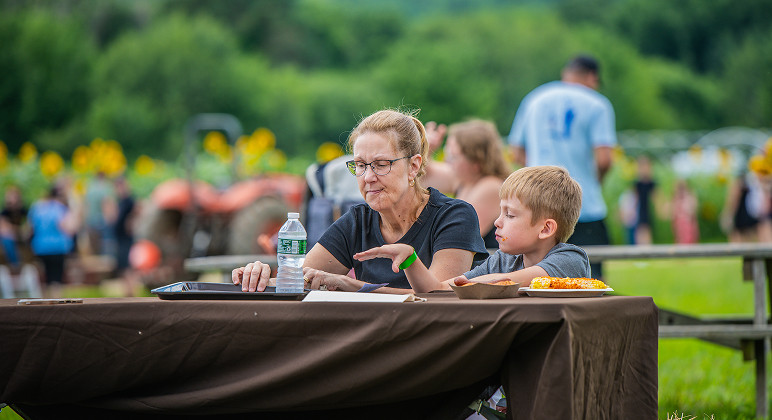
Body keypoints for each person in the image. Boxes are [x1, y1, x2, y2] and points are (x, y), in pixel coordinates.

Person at [232, 109, 489, 293]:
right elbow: (299, 280)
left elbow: (439, 297)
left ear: (413, 166)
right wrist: (260, 277)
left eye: (380, 165)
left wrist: (355, 287)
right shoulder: (358, 221)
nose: (368, 177)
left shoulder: (455, 216)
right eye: (360, 165)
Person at [355, 165, 590, 292]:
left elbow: (507, 281)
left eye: (510, 215)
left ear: (546, 229)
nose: (498, 222)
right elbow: (437, 290)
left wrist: (468, 285)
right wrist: (410, 259)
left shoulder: (569, 259)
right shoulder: (501, 261)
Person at [508, 54, 616, 278]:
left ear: (567, 73)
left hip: (538, 205)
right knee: (589, 277)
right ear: (592, 77)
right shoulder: (597, 103)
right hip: (584, 206)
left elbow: (516, 151)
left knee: (537, 278)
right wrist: (597, 180)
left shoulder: (535, 98)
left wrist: (539, 178)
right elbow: (604, 158)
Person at [423, 119, 513, 249]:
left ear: (476, 162)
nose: (447, 160)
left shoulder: (491, 186)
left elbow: (460, 235)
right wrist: (426, 150)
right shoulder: (465, 179)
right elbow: (422, 177)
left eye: (454, 156)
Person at [27, 185, 78, 293]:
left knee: (46, 278)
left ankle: (45, 305)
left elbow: (30, 228)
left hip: (40, 247)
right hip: (58, 247)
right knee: (56, 280)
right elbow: (69, 228)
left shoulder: (37, 207)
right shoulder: (59, 208)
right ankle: (56, 306)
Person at [0, 186, 29, 266]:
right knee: (7, 240)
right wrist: (17, 230)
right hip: (10, 235)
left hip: (20, 235)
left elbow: (28, 225)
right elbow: (4, 228)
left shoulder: (23, 210)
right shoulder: (5, 211)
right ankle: (15, 264)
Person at [633, 155, 656, 244]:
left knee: (646, 230)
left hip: (648, 209)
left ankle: (646, 247)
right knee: (640, 230)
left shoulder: (651, 183)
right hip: (640, 210)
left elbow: (656, 197)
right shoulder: (637, 184)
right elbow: (634, 198)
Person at [671, 179, 699, 244]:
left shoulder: (689, 197)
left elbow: (693, 210)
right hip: (679, 225)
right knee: (680, 240)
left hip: (688, 223)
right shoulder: (676, 198)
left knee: (689, 240)